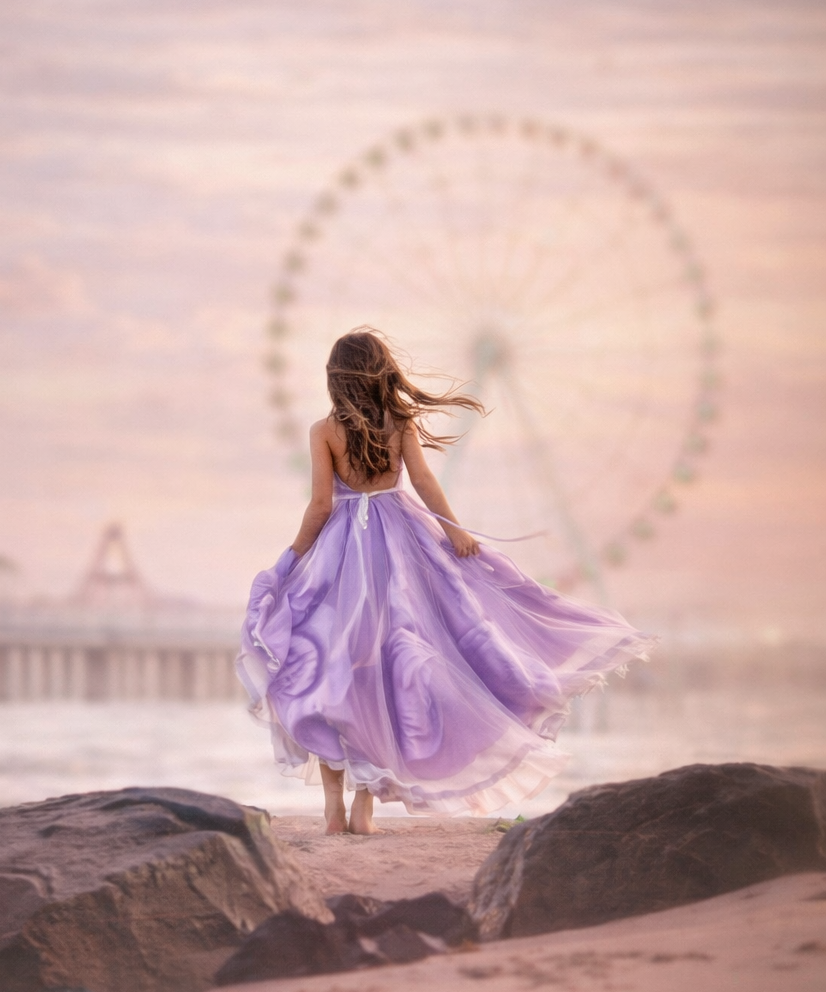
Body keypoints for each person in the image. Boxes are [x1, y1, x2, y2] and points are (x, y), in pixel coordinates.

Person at [238, 329, 655, 834]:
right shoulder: (399, 422)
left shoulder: (324, 431)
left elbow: (322, 506)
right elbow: (424, 482)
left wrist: (289, 561)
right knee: (385, 673)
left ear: (335, 379)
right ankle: (365, 810)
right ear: (382, 373)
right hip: (399, 549)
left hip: (340, 556)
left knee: (331, 670)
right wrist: (454, 531)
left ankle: (333, 810)